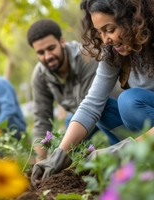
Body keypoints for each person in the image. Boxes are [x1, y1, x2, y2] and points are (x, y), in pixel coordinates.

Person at [31, 0, 154, 185]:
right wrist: (60, 153)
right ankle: (135, 165)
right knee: (102, 106)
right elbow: (91, 105)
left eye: (110, 29)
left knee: (129, 101)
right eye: (100, 32)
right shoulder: (112, 52)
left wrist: (124, 150)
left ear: (132, 20)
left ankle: (137, 157)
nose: (105, 40)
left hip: (142, 122)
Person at [27, 19, 122, 162]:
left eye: (51, 48)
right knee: (68, 129)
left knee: (75, 140)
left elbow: (92, 108)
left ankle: (117, 154)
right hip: (80, 117)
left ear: (62, 41)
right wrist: (40, 160)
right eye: (40, 52)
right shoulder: (40, 76)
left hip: (110, 111)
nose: (47, 56)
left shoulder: (88, 56)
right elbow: (42, 120)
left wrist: (64, 150)